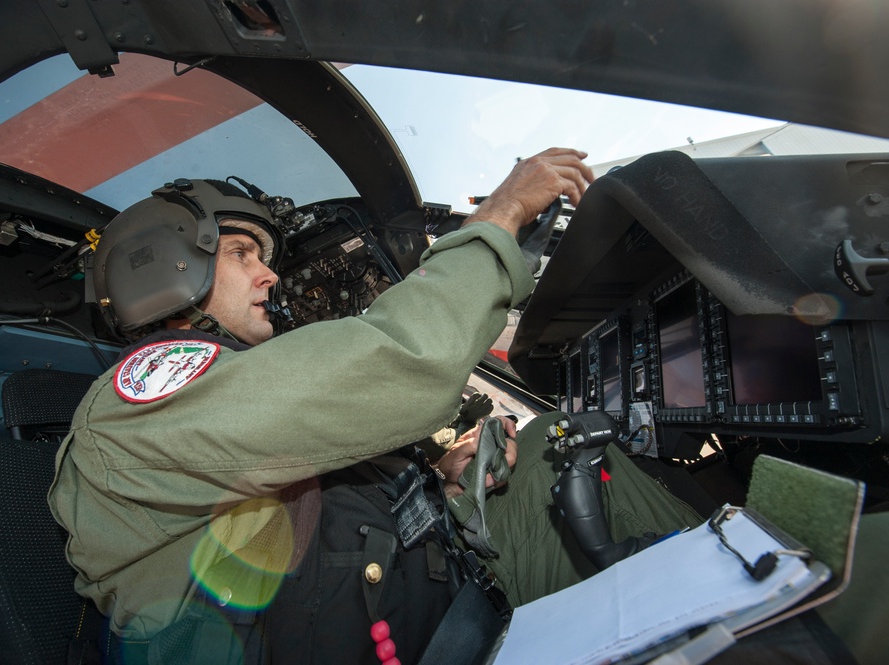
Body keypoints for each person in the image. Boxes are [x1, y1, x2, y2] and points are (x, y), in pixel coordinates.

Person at [46, 149, 868, 665]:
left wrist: (434, 475)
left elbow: (282, 515)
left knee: (554, 441)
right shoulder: (145, 392)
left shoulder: (209, 395)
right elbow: (398, 364)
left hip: (439, 600)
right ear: (166, 269)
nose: (266, 275)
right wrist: (500, 217)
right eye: (239, 253)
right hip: (433, 632)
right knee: (847, 571)